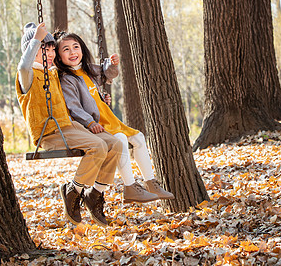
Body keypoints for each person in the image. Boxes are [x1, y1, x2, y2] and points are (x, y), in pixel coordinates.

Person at [16, 22, 123, 227]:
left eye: (51, 49)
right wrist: (36, 38)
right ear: (31, 50)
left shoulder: (55, 72)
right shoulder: (26, 76)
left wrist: (99, 99)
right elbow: (23, 65)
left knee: (115, 143)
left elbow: (77, 92)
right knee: (98, 146)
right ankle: (73, 191)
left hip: (71, 127)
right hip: (49, 132)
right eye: (42, 50)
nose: (48, 54)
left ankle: (95, 194)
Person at [53, 31, 174, 204]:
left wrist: (112, 63)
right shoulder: (67, 79)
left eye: (76, 47)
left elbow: (107, 73)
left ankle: (151, 182)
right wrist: (90, 122)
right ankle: (130, 186)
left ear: (82, 49)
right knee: (121, 139)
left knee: (139, 137)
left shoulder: (87, 70)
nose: (72, 52)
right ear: (59, 56)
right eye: (66, 49)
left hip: (109, 118)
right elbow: (74, 107)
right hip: (96, 125)